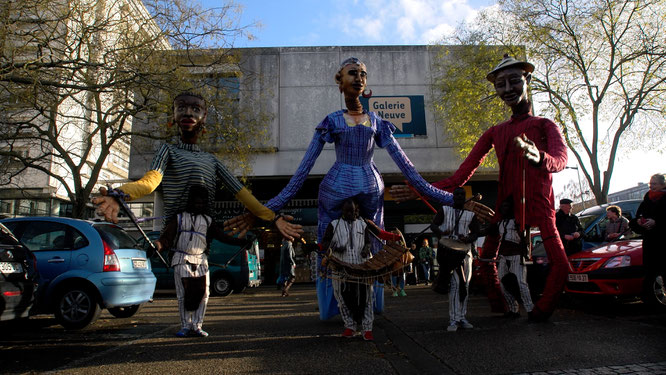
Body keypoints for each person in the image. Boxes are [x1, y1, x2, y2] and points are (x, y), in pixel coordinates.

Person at [231, 57, 491, 321]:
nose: (358, 78)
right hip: (335, 187)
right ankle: (332, 307)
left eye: (363, 74)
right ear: (339, 81)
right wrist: (263, 210)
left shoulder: (377, 122)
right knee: (328, 246)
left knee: (374, 244)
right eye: (352, 73)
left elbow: (410, 170)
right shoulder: (332, 121)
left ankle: (371, 305)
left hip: (370, 186)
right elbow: (301, 173)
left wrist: (451, 200)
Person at [393, 54, 569, 322]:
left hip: (540, 204)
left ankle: (541, 310)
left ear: (527, 80)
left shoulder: (544, 125)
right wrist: (420, 189)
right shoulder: (495, 132)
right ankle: (503, 306)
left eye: (514, 81)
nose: (508, 89)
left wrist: (539, 158)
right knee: (487, 262)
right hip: (505, 207)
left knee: (560, 263)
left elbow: (560, 160)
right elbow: (459, 178)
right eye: (501, 84)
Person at [92, 92, 302, 240]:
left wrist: (273, 218)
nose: (188, 114)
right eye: (181, 108)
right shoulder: (168, 151)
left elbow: (243, 194)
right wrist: (120, 194)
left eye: (195, 109)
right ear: (173, 115)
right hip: (174, 236)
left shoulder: (211, 161)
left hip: (204, 237)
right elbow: (150, 182)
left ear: (204, 117)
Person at [153, 185, 247, 337]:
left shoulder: (208, 221)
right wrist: (157, 246)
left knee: (204, 293)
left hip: (201, 260)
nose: (199, 205)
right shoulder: (179, 218)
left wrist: (241, 242)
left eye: (202, 203)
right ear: (190, 201)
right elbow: (166, 239)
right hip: (181, 258)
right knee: (183, 294)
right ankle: (185, 326)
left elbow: (222, 236)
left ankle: (197, 326)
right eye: (197, 202)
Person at [321, 198, 402, 341]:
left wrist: (369, 247)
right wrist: (333, 248)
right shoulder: (333, 225)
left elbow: (378, 235)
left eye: (352, 211)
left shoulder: (364, 223)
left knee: (367, 298)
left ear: (356, 210)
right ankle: (350, 326)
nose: (351, 213)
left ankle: (367, 329)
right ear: (342, 211)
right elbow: (325, 243)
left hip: (362, 267)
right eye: (347, 211)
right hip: (341, 267)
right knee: (341, 297)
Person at [430, 187, 481, 331]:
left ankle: (462, 317)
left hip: (465, 253)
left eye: (462, 195)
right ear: (453, 197)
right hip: (448, 254)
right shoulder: (444, 210)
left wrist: (468, 238)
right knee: (455, 285)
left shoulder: (471, 215)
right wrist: (441, 232)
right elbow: (433, 225)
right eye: (457, 194)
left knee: (465, 286)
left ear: (465, 197)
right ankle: (453, 320)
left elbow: (476, 232)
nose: (459, 197)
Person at [492, 197, 534, 318]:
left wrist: (525, 253)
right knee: (502, 283)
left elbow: (525, 237)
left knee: (521, 282)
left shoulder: (518, 221)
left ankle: (530, 310)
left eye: (507, 206)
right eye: (503, 206)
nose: (504, 209)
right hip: (504, 256)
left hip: (516, 255)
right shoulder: (500, 222)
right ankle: (513, 309)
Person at [629, 173, 666, 295]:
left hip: (662, 242)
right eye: (650, 184)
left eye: (654, 184)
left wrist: (657, 222)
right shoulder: (646, 200)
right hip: (650, 244)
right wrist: (639, 222)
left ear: (663, 184)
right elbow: (634, 221)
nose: (651, 186)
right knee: (650, 274)